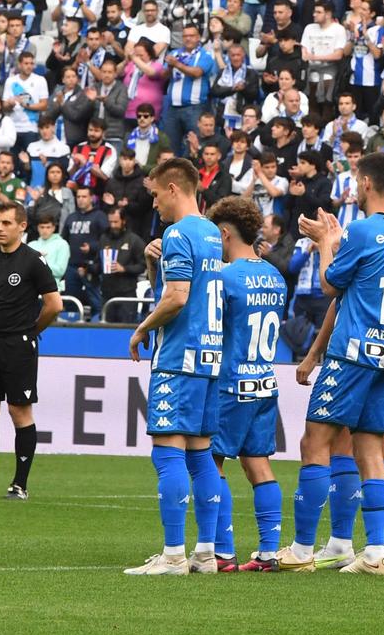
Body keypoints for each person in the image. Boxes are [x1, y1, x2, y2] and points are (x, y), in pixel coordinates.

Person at [282, 153, 384, 575]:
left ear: (365, 183)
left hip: (355, 353)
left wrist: (328, 242)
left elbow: (331, 284)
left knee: (315, 442)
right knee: (370, 449)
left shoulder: (363, 230)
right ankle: (375, 552)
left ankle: (301, 549)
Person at [125, 157, 229, 576]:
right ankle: (204, 553)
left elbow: (178, 297)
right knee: (201, 454)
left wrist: (140, 328)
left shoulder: (177, 232)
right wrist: (156, 265)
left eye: (154, 195)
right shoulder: (210, 233)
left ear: (172, 188)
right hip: (209, 358)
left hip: (178, 358)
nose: (153, 204)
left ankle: (172, 555)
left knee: (167, 453)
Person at [207, 195, 291, 573]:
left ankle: (223, 552)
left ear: (225, 234)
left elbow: (211, 327)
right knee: (258, 463)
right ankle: (269, 552)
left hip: (231, 382)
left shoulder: (224, 278)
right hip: (264, 380)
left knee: (211, 461)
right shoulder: (275, 275)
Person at [0, 199, 62, 499]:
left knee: (19, 411)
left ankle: (20, 485)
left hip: (18, 346)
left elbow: (54, 305)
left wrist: (30, 330)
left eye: (6, 223)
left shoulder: (33, 260)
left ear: (21, 226)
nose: (0, 229)